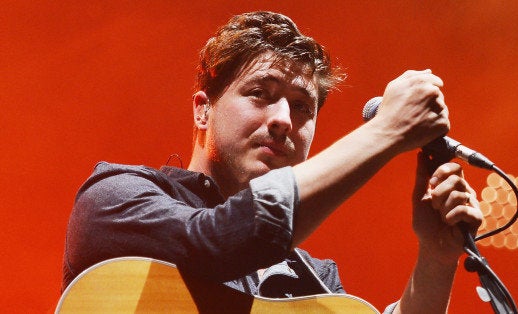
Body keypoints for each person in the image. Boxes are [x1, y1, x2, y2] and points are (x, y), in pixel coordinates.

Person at [62, 11, 482, 313]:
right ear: (203, 111)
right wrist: (384, 133)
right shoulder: (114, 197)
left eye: (302, 106)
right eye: (260, 93)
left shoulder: (314, 282)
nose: (283, 119)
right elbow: (219, 239)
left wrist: (435, 259)